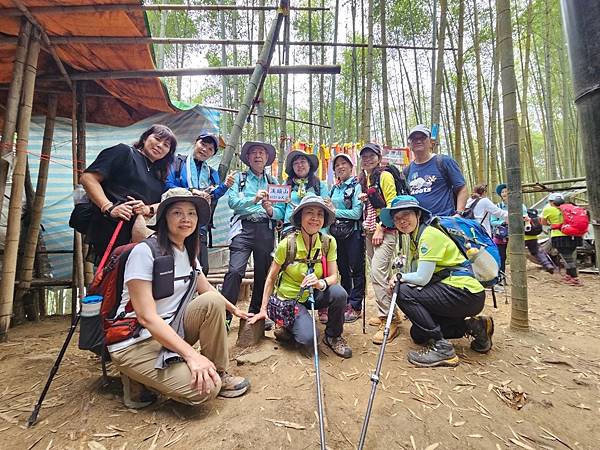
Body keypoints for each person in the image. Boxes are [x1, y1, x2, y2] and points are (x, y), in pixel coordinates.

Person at [108, 188, 250, 408]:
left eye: (191, 213)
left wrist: (235, 310)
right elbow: (146, 318)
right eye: (177, 212)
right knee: (206, 390)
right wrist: (192, 356)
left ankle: (219, 371)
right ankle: (137, 377)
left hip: (170, 329)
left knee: (212, 303)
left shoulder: (187, 252)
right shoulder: (144, 252)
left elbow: (209, 291)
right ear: (163, 217)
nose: (186, 219)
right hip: (136, 340)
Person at [380, 195, 492, 368]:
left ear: (418, 214)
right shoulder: (415, 237)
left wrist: (399, 277)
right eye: (397, 219)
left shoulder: (429, 235)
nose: (402, 221)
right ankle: (476, 326)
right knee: (418, 334)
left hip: (464, 292)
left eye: (406, 215)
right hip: (454, 291)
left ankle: (443, 349)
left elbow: (422, 278)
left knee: (401, 290)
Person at [248, 195, 352, 358]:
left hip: (314, 293)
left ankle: (333, 336)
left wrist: (320, 283)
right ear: (299, 217)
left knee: (339, 293)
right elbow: (271, 278)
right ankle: (287, 325)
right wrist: (263, 309)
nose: (315, 218)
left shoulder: (329, 242)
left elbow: (333, 277)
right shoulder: (287, 244)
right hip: (290, 298)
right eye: (309, 212)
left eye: (320, 214)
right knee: (310, 340)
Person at [80, 124, 176, 263]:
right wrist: (109, 207)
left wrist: (146, 208)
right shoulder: (123, 152)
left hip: (140, 234)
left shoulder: (159, 174)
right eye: (157, 138)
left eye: (166, 145)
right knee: (114, 276)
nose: (160, 145)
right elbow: (88, 178)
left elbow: (162, 203)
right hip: (113, 228)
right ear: (144, 138)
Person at [221, 141, 278, 329]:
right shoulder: (239, 178)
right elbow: (232, 202)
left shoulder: (274, 182)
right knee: (235, 271)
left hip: (265, 229)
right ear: (248, 158)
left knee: (263, 272)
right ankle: (225, 316)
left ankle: (256, 312)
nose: (258, 156)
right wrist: (253, 199)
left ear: (267, 158)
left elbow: (281, 210)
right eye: (254, 152)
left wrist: (270, 210)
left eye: (261, 152)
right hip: (243, 228)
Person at [165, 132, 235, 275]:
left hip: (199, 223)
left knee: (201, 268)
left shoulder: (211, 172)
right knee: (174, 265)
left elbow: (213, 195)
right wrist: (192, 191)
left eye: (210, 149)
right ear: (195, 143)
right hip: (175, 220)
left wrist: (225, 186)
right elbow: (168, 185)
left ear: (212, 154)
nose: (205, 149)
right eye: (203, 144)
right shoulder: (177, 163)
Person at [358, 143, 400, 344]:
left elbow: (393, 204)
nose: (367, 159)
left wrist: (381, 228)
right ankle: (388, 313)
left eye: (371, 155)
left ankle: (390, 321)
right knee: (379, 274)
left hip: (385, 231)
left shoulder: (385, 175)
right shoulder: (366, 178)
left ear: (378, 156)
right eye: (364, 156)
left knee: (377, 273)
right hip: (369, 230)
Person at [329, 153, 365, 322]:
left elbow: (357, 213)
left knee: (356, 268)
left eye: (344, 163)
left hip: (354, 233)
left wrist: (335, 212)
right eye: (337, 165)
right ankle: (345, 301)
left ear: (351, 167)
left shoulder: (357, 186)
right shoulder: (334, 189)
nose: (340, 167)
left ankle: (356, 305)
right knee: (342, 269)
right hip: (337, 234)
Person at [404, 124, 468, 216]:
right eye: (414, 139)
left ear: (430, 142)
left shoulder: (444, 162)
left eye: (422, 138)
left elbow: (462, 188)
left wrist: (459, 213)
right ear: (410, 144)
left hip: (443, 221)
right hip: (419, 224)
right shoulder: (407, 170)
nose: (418, 141)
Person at [273, 149, 329, 235]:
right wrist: (269, 210)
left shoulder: (320, 185)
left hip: (315, 230)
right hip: (290, 230)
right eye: (296, 163)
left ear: (309, 164)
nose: (299, 165)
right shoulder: (286, 185)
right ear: (292, 167)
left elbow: (325, 210)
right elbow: (280, 210)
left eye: (303, 162)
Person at [541, 193, 583, 286]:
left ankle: (575, 278)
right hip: (575, 235)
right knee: (569, 256)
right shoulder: (570, 208)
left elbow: (543, 222)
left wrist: (552, 224)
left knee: (567, 258)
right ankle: (569, 276)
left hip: (559, 236)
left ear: (551, 202)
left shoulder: (549, 209)